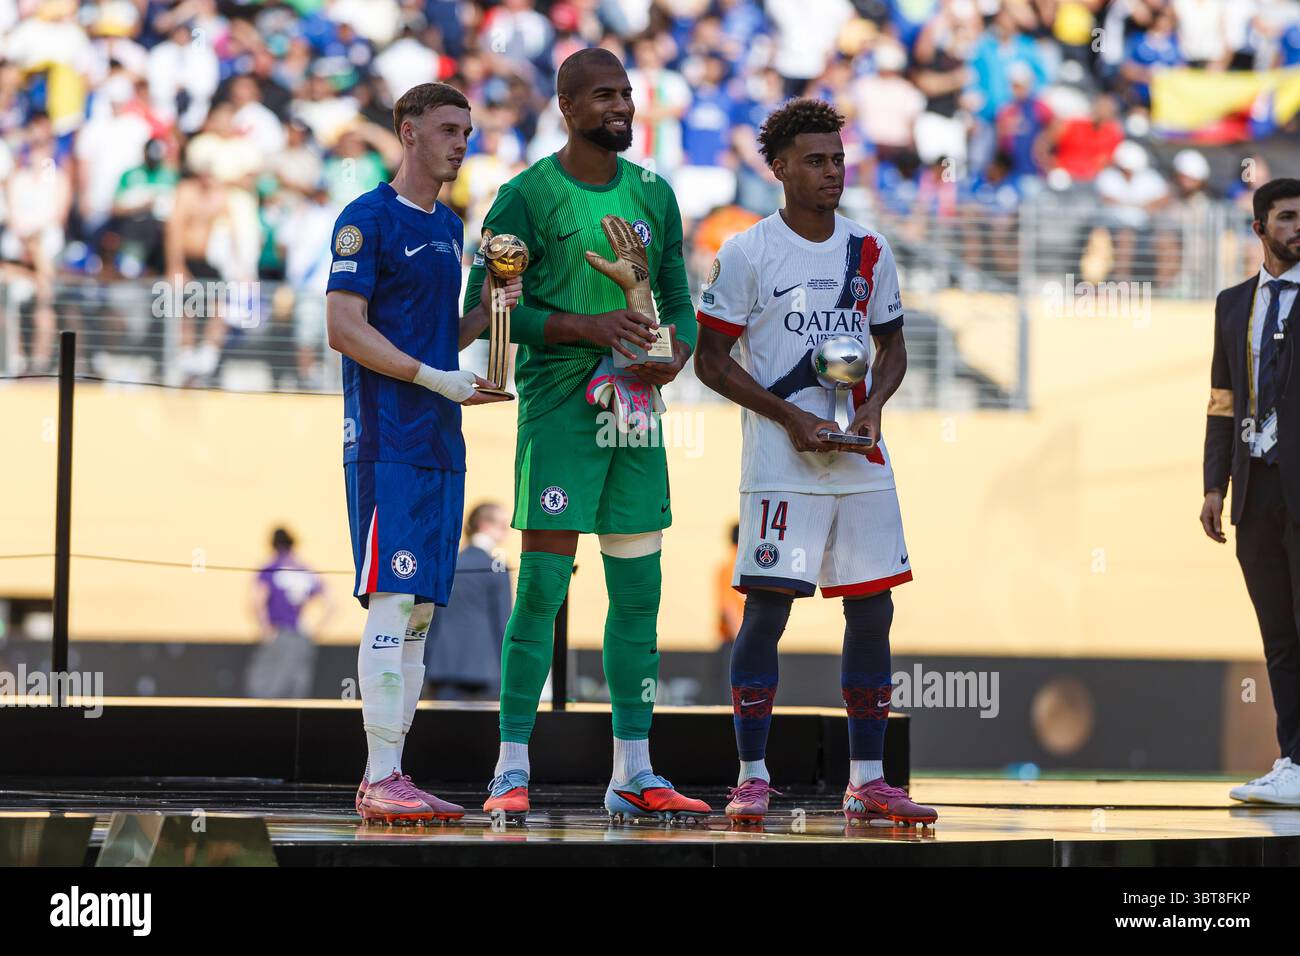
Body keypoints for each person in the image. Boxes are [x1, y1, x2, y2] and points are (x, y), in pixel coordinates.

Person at [462, 48, 709, 823]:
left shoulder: (655, 195)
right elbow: (489, 310)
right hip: (561, 412)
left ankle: (633, 771)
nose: (622, 108)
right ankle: (509, 767)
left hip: (636, 414)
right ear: (565, 106)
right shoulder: (526, 196)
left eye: (627, 96)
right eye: (605, 96)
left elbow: (677, 299)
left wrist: (672, 357)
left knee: (639, 596)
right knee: (540, 591)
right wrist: (587, 325)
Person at [693, 98, 937, 828]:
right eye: (815, 161)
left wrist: (874, 408)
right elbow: (709, 361)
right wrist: (791, 415)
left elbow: (891, 346)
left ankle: (867, 778)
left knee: (873, 611)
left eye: (837, 159)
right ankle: (752, 776)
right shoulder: (747, 252)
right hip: (781, 464)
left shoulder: (870, 249)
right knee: (766, 612)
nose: (832, 172)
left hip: (863, 462)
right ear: (780, 168)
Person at [325, 81, 523, 825]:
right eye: (447, 129)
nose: (459, 142)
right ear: (407, 132)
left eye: (466, 131)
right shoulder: (365, 218)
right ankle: (378, 774)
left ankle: (392, 774)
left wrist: (498, 302)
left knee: (419, 619)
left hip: (441, 440)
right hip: (386, 441)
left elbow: (449, 334)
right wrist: (435, 377)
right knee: (392, 599)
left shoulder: (448, 227)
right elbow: (344, 328)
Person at [1201, 177, 1300, 806]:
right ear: (1259, 228)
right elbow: (1221, 400)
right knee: (1279, 633)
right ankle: (1292, 761)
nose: (1299, 227)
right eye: (1288, 217)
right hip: (1255, 487)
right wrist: (1214, 483)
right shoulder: (1233, 302)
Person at [425, 502, 513, 700]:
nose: (507, 533)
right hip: (483, 667)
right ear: (484, 525)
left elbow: (431, 618)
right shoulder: (496, 567)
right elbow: (503, 622)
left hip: (442, 664)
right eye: (502, 526)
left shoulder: (446, 564)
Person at [246, 527, 333, 699]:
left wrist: (266, 629)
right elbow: (333, 604)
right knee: (297, 687)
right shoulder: (304, 569)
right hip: (301, 634)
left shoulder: (271, 568)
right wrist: (316, 631)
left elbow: (257, 602)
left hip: (279, 633)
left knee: (266, 688)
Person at [714, 522, 744, 702]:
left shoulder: (728, 565)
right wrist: (743, 641)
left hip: (733, 639)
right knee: (735, 696)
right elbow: (730, 606)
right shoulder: (736, 566)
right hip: (736, 640)